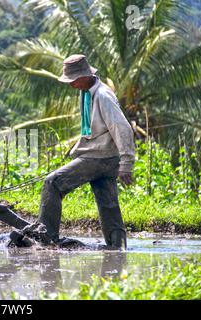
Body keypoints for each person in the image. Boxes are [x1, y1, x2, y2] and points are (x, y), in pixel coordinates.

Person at [38, 54, 135, 250]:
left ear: (85, 76)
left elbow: (122, 128)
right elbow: (95, 128)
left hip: (99, 159)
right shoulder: (87, 92)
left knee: (52, 183)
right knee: (108, 204)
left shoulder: (103, 95)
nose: (71, 84)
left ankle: (45, 239)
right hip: (104, 157)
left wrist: (126, 163)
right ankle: (118, 247)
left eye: (73, 80)